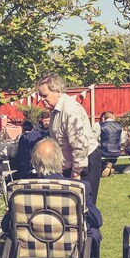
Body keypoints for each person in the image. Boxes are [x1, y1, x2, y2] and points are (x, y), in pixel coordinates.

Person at [1, 138, 102, 258]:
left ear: (34, 162)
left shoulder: (19, 189)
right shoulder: (78, 188)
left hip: (29, 256)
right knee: (94, 231)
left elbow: (5, 225)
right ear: (60, 159)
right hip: (70, 255)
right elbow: (97, 220)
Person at [37, 73, 102, 203]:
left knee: (83, 204)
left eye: (45, 96)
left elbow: (80, 144)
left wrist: (76, 172)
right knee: (69, 205)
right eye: (40, 96)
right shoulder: (55, 110)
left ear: (57, 91)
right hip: (71, 164)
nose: (42, 100)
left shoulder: (70, 110)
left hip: (84, 162)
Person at [98, 111, 123, 177]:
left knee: (97, 152)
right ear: (112, 117)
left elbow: (95, 138)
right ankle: (110, 166)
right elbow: (122, 139)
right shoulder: (119, 126)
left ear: (104, 117)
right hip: (116, 152)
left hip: (104, 151)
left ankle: (105, 167)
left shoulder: (100, 126)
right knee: (113, 153)